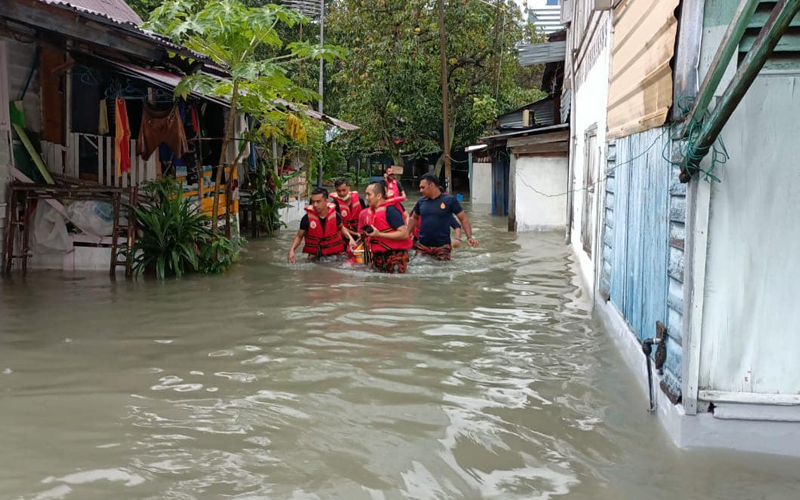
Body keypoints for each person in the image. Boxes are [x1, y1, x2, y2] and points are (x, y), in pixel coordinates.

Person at [407, 173, 478, 261]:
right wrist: (406, 235)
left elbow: (463, 219)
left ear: (431, 185)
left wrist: (469, 237)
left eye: (423, 187)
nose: (420, 190)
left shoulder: (450, 200)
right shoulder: (421, 202)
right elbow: (414, 218)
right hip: (423, 246)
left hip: (442, 247)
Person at [288, 187, 356, 263]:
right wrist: (292, 250)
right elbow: (299, 236)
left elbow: (341, 228)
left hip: (334, 256)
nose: (315, 205)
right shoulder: (306, 219)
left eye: (318, 202)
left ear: (326, 201)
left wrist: (351, 239)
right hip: (316, 257)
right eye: (313, 202)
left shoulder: (336, 216)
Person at [362, 181, 413, 274]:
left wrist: (379, 234)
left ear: (378, 196)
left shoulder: (391, 211)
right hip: (379, 256)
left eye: (369, 194)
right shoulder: (372, 212)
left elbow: (404, 234)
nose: (366, 198)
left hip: (395, 255)